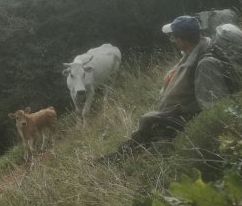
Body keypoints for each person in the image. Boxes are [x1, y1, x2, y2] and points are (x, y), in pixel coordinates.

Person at [99, 15, 231, 161]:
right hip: (174, 116)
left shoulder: (205, 63)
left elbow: (213, 106)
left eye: (173, 37)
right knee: (144, 130)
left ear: (181, 41)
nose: (173, 41)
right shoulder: (194, 51)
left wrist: (195, 133)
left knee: (150, 146)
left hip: (183, 121)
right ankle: (119, 156)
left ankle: (129, 159)